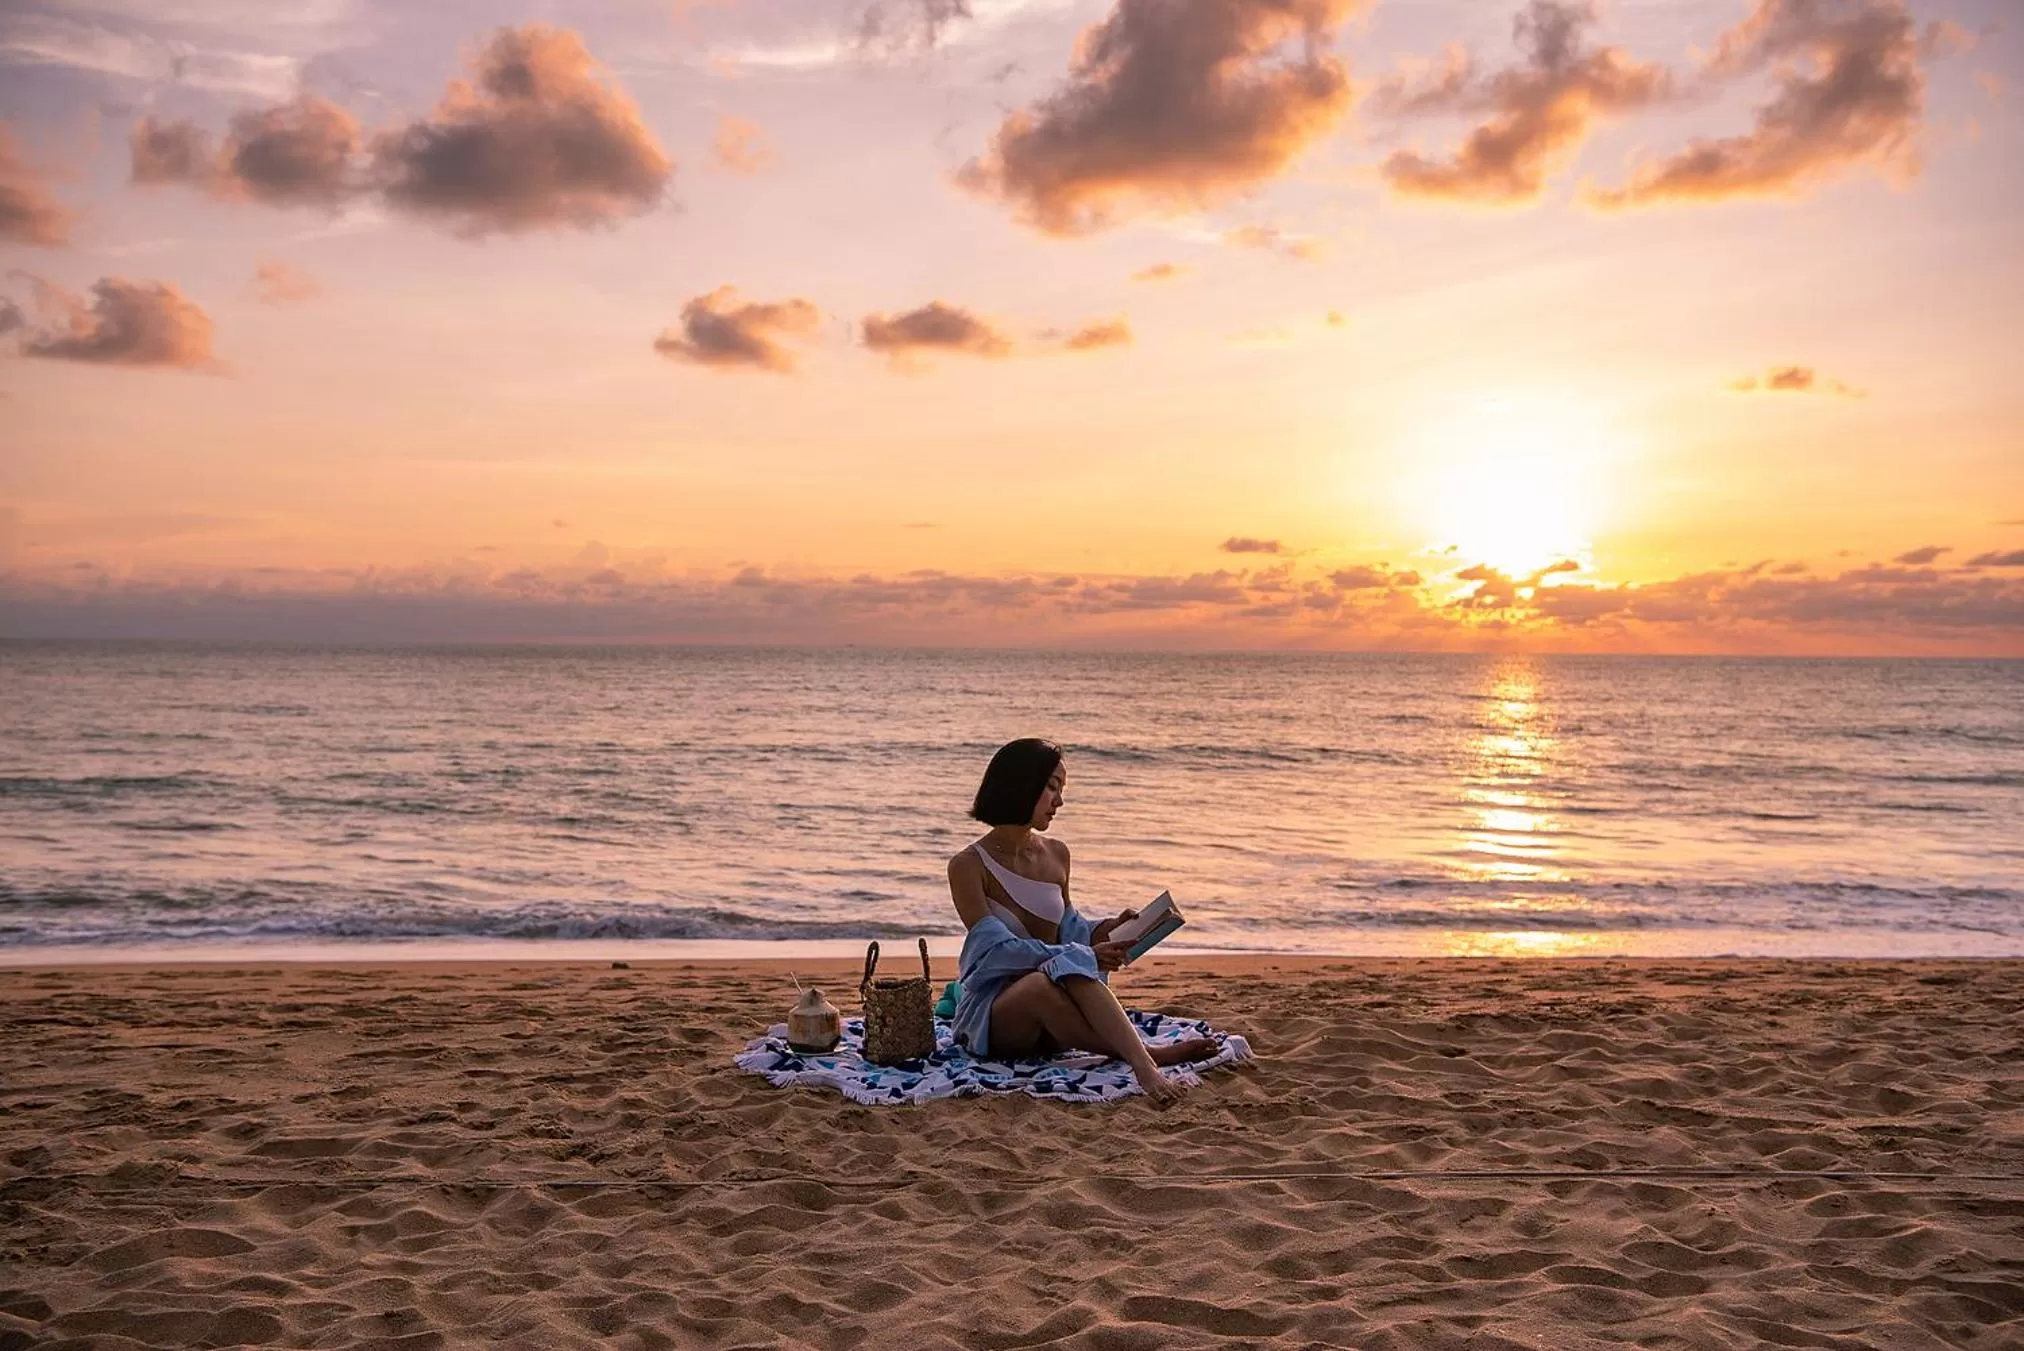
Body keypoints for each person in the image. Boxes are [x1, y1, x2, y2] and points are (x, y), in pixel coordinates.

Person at [946, 738, 1217, 1102]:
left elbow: (1070, 931)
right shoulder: (968, 865)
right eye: (1052, 787)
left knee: (1068, 967)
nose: (1059, 801)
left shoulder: (1057, 854)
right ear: (1021, 784)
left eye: (1062, 790)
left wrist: (1107, 930)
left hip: (1058, 1016)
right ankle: (1147, 1061)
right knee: (1050, 979)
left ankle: (1140, 1056)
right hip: (997, 1018)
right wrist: (1085, 954)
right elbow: (994, 954)